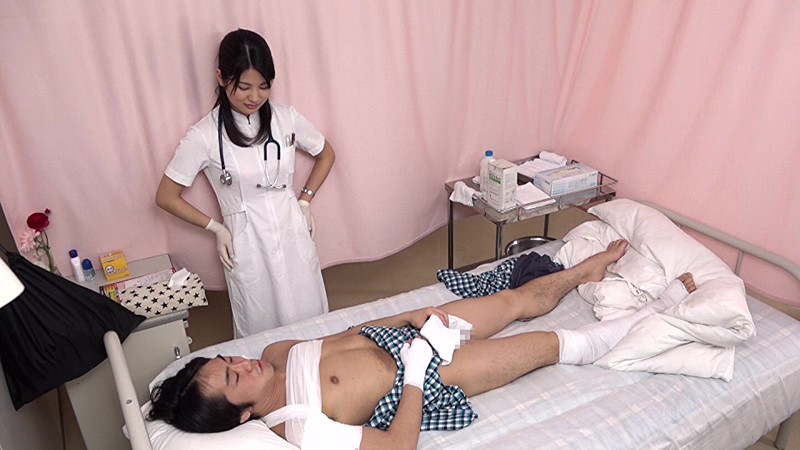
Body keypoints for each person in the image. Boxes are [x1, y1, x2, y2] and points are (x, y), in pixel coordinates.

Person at [148, 241, 698, 448]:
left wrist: (410, 317)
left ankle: (584, 270)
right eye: (234, 376)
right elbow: (397, 447)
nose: (242, 362)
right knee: (552, 344)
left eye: (228, 358)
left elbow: (346, 336)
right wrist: (415, 370)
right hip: (430, 373)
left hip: (412, 334)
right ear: (244, 416)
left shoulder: (275, 355)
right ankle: (659, 308)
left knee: (512, 301)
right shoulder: (299, 427)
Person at [155, 29, 335, 337]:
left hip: (292, 228)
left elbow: (326, 154)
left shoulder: (286, 118)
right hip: (246, 239)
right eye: (244, 87)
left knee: (312, 322)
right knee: (260, 330)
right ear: (221, 77)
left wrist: (304, 200)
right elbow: (166, 196)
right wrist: (217, 228)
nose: (255, 97)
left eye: (264, 86)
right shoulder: (204, 135)